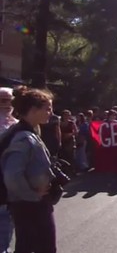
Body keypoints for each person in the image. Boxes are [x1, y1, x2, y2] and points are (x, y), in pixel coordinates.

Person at [1, 86, 58, 252]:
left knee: (26, 246)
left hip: (26, 205)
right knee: (43, 248)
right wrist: (32, 195)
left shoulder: (25, 131)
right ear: (33, 109)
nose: (50, 113)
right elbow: (12, 175)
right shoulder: (24, 138)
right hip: (30, 205)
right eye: (47, 109)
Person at [0, 87, 18, 253]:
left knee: (8, 226)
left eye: (9, 100)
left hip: (12, 186)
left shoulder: (17, 124)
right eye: (2, 100)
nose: (6, 104)